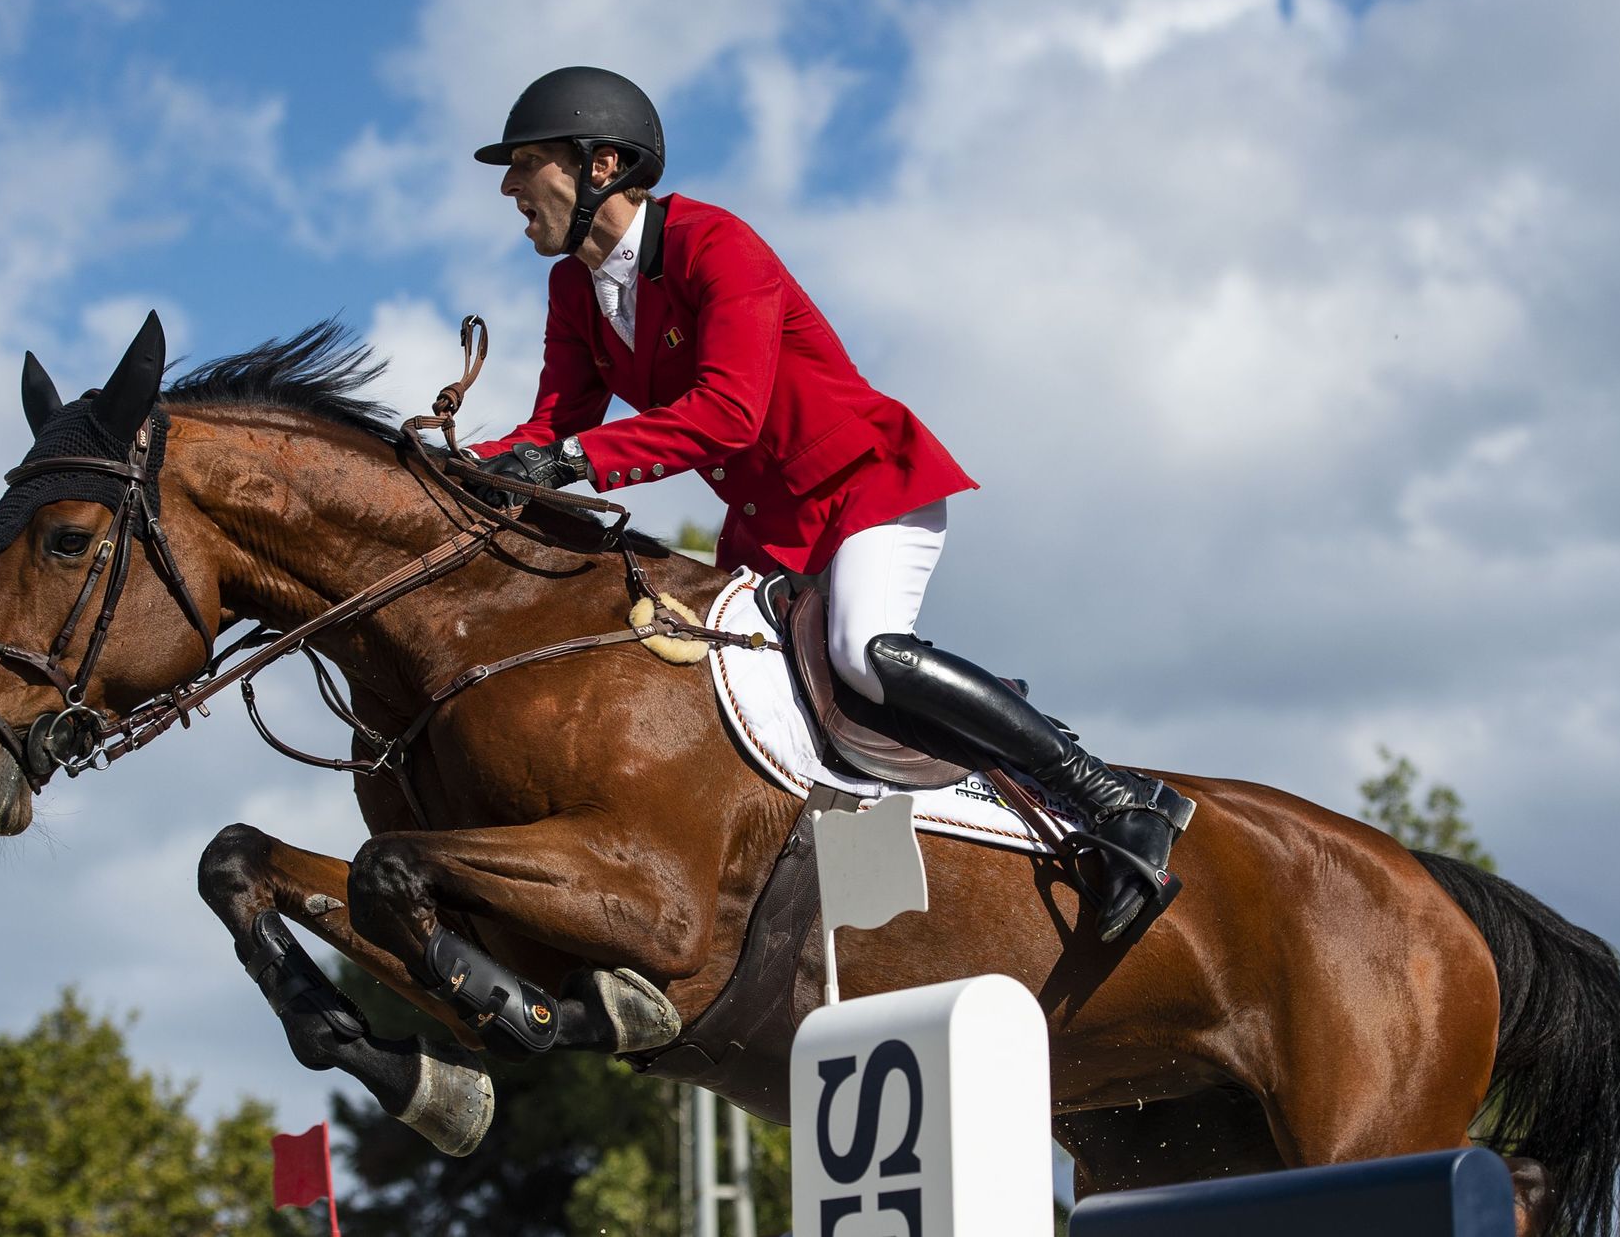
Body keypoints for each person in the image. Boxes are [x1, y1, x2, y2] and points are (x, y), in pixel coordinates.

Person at [464, 66, 1193, 942]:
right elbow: (556, 421)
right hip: (771, 527)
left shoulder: (715, 244)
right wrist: (446, 463)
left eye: (527, 162)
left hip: (866, 483)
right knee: (718, 693)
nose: (509, 186)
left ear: (604, 164)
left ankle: (1115, 800)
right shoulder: (573, 288)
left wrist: (571, 461)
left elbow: (727, 412)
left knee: (861, 651)